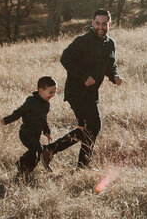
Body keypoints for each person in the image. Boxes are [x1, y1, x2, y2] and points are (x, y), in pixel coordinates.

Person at [48, 9, 122, 169]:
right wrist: (83, 76)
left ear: (109, 24)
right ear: (92, 23)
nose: (100, 27)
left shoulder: (110, 43)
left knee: (86, 128)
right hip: (76, 91)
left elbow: (110, 65)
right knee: (94, 126)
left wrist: (114, 76)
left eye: (104, 24)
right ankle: (80, 163)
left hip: (91, 93)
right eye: (97, 23)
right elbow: (65, 58)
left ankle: (53, 151)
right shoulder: (83, 41)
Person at [2, 76, 56, 176]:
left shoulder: (46, 105)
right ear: (40, 90)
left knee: (35, 153)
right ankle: (22, 166)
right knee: (38, 150)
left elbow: (44, 119)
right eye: (50, 92)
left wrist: (47, 131)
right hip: (26, 133)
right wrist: (7, 120)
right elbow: (19, 112)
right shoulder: (31, 101)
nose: (52, 95)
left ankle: (24, 168)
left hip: (35, 134)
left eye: (54, 92)